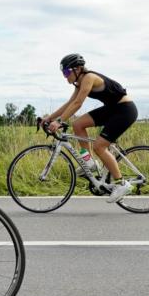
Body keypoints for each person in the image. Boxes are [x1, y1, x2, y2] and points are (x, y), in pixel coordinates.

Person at [40, 53, 138, 203]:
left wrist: (59, 121)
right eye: (63, 73)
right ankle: (89, 162)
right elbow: (70, 103)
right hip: (112, 109)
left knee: (99, 146)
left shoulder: (89, 78)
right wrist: (50, 118)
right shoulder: (79, 82)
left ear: (78, 69)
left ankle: (122, 184)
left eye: (66, 72)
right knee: (77, 124)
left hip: (125, 110)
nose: (65, 76)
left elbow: (78, 103)